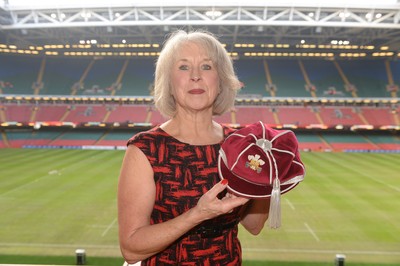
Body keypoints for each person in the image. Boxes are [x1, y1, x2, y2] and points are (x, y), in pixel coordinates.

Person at [118, 29, 270, 265]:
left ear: (220, 82)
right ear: (168, 83)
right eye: (183, 67)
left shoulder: (239, 146)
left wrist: (265, 177)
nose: (196, 76)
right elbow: (131, 248)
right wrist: (197, 215)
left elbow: (254, 225)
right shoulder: (145, 149)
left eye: (207, 67)